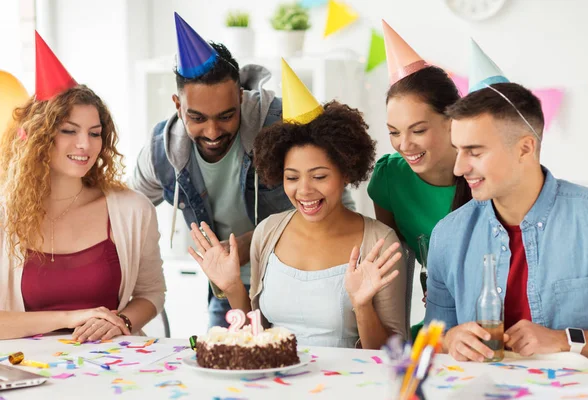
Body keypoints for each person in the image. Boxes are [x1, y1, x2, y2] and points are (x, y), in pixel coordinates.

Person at [131, 13, 354, 328]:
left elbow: (338, 205)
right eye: (197, 118)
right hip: (226, 290)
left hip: (301, 281)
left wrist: (250, 245)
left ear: (240, 96)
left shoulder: (284, 126)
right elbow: (124, 214)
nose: (212, 131)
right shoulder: (160, 152)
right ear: (178, 105)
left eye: (226, 116)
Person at [187, 60, 407, 349]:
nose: (304, 190)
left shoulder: (380, 242)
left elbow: (393, 353)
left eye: (319, 176)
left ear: (345, 172)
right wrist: (232, 288)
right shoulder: (267, 233)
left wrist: (362, 306)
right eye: (291, 177)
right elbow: (260, 338)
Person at [424, 40, 588, 362]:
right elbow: (431, 338)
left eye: (474, 152)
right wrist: (450, 339)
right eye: (458, 150)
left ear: (525, 148)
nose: (459, 168)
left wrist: (565, 340)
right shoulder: (448, 235)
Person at [0, 32, 166, 341]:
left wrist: (122, 322)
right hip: (29, 371)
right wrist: (71, 318)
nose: (84, 144)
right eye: (69, 130)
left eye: (94, 133)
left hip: (115, 373)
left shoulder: (132, 210)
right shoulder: (4, 214)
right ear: (38, 137)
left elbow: (152, 293)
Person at [367, 21, 467, 339]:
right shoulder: (389, 178)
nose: (404, 145)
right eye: (394, 132)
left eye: (418, 130)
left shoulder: (484, 178)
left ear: (452, 120)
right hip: (438, 331)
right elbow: (397, 266)